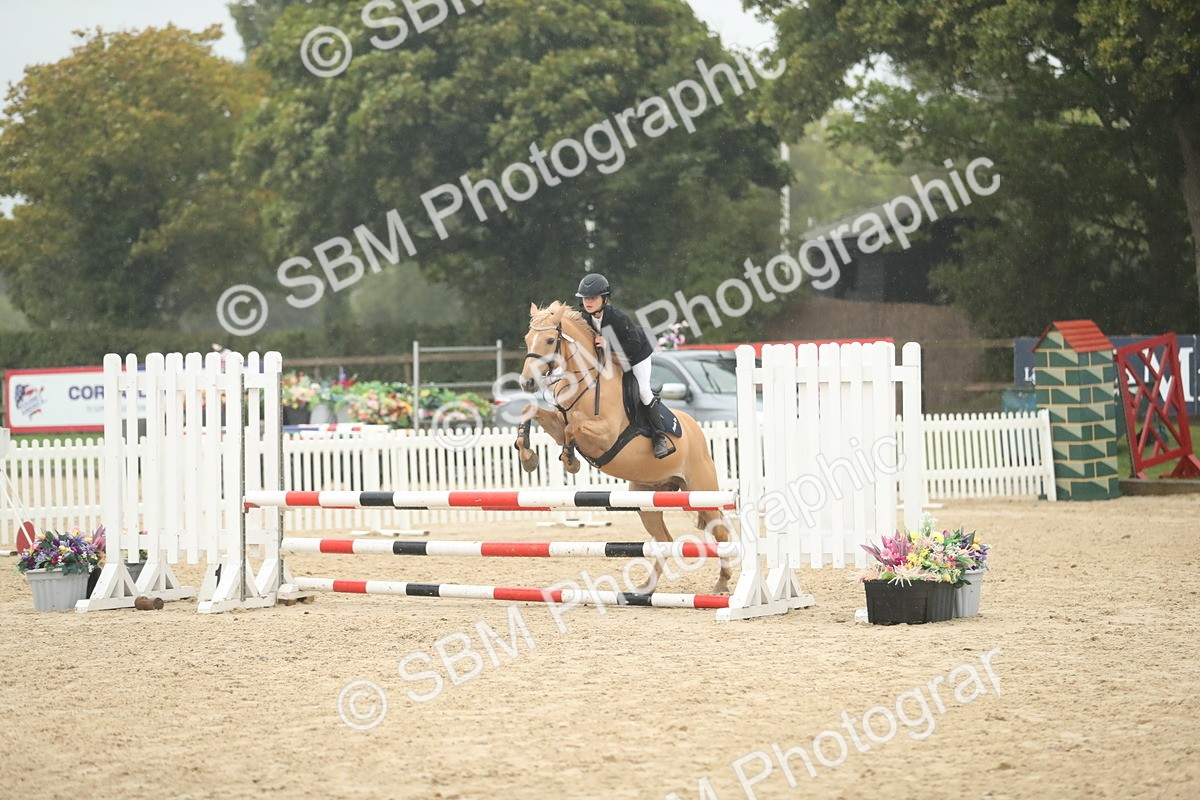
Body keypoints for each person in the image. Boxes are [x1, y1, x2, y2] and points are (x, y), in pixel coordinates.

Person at [575, 272, 672, 458]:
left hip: (637, 354)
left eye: (593, 297)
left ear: (604, 299)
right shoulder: (584, 318)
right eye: (585, 298)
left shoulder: (617, 317)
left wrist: (608, 343)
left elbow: (633, 346)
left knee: (643, 389)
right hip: (613, 357)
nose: (588, 301)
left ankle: (660, 437)